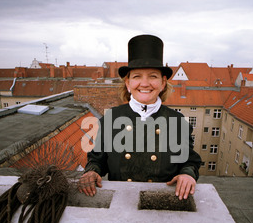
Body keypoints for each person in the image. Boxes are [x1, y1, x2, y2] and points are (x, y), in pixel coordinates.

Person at [78, 34, 201, 200]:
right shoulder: (111, 119)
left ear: (163, 83)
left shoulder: (177, 122)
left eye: (153, 76)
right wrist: (91, 172)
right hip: (121, 201)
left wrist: (187, 174)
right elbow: (97, 159)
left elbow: (188, 162)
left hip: (162, 201)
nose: (145, 83)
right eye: (137, 76)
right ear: (128, 83)